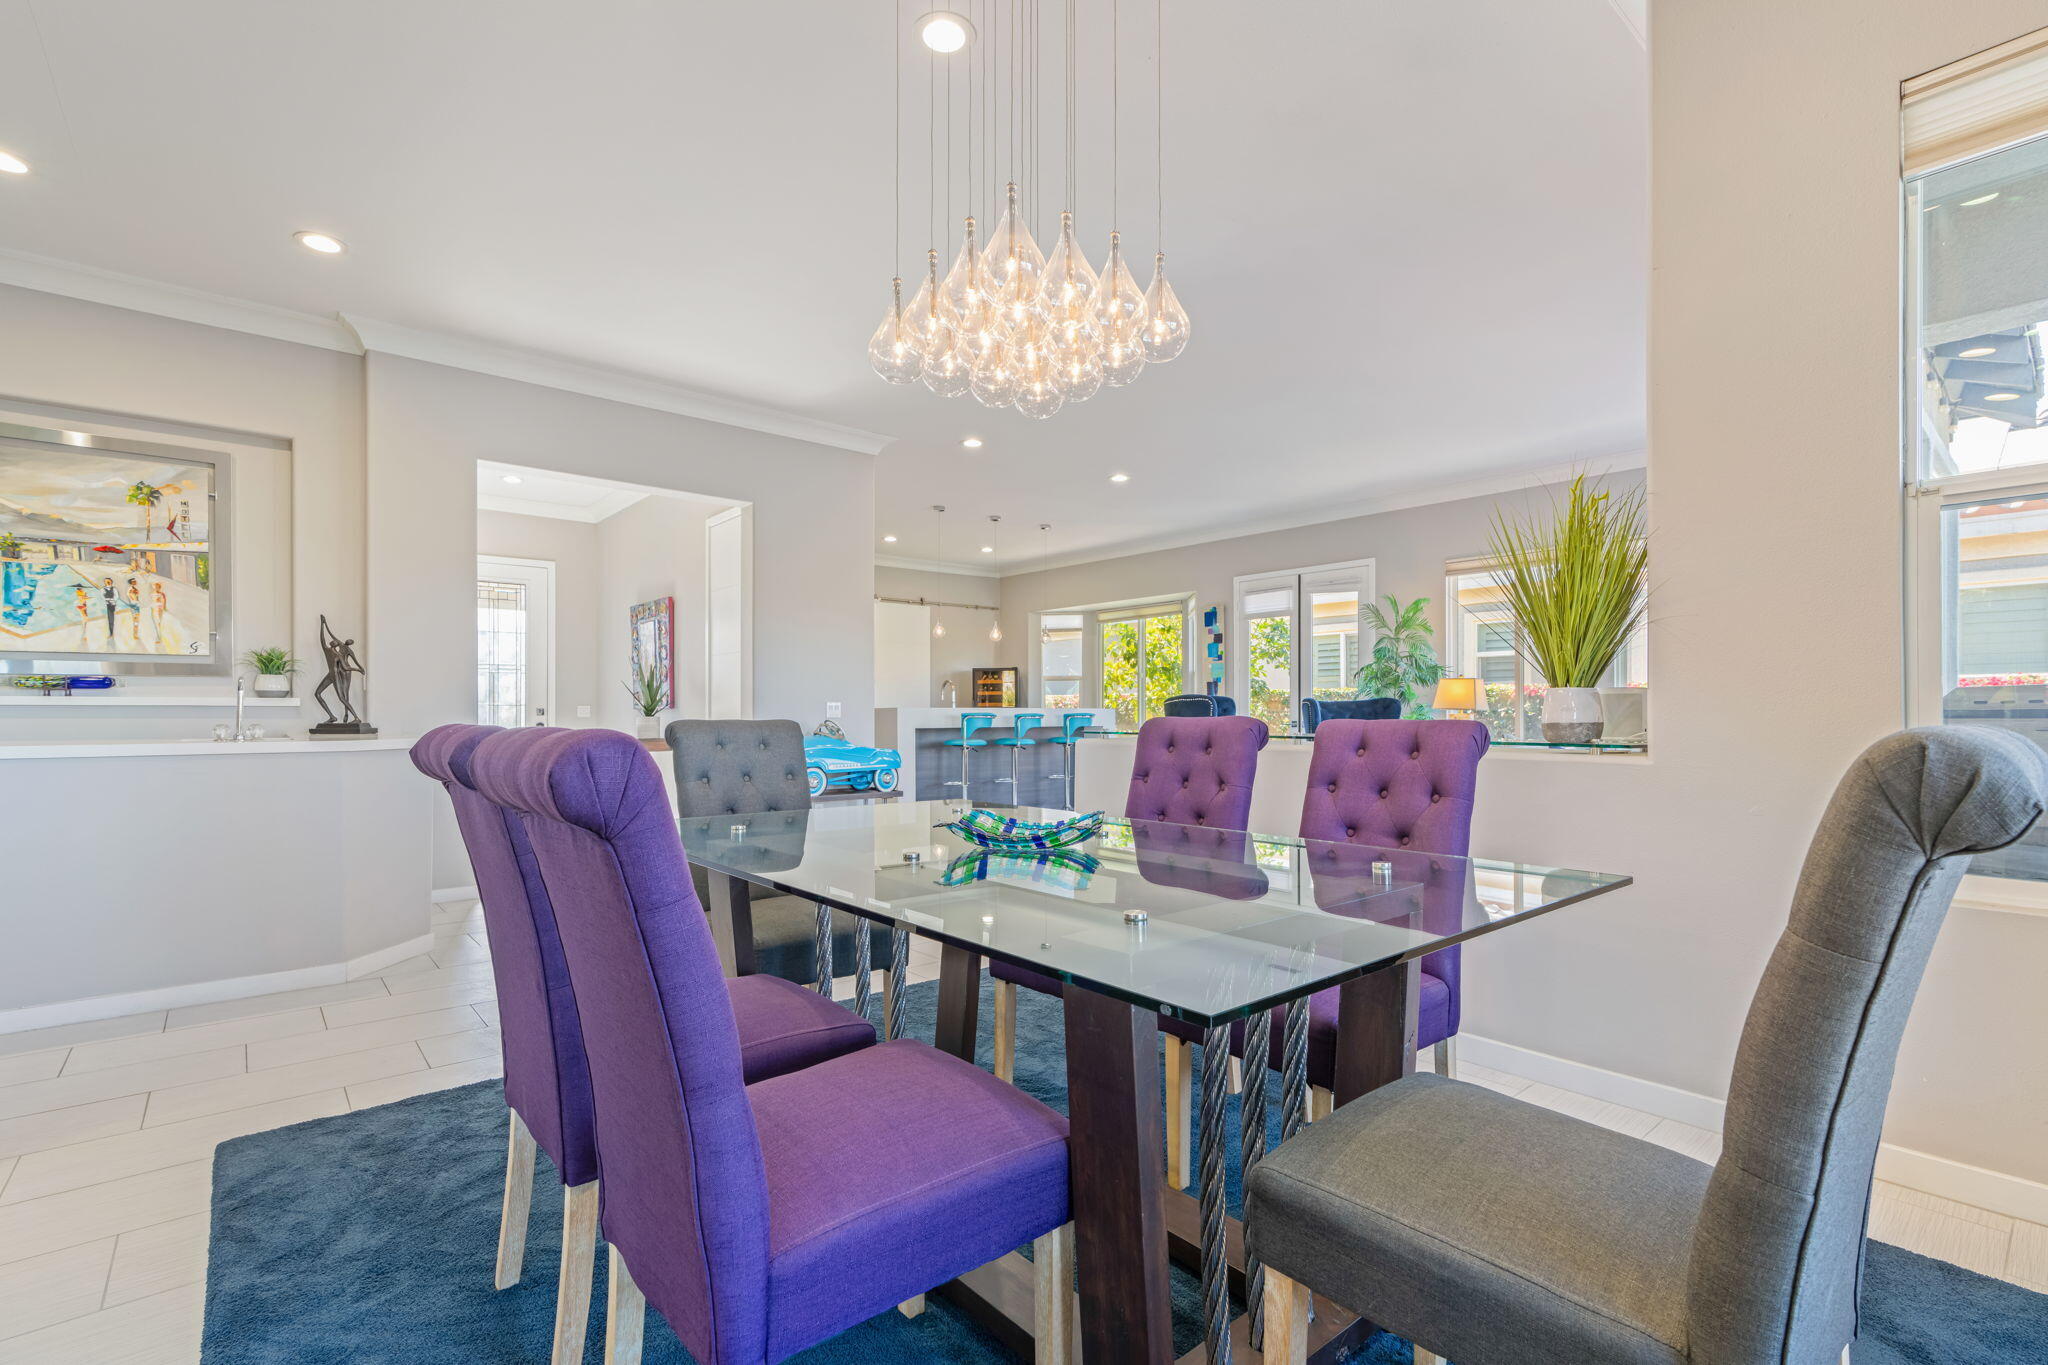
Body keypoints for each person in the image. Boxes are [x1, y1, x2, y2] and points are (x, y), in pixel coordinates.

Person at [124, 578, 143, 644]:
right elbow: (131, 597)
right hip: (134, 605)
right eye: (134, 581)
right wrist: (134, 602)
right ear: (131, 583)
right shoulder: (130, 589)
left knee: (137, 620)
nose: (135, 582)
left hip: (136, 604)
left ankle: (136, 633)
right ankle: (135, 634)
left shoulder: (135, 589)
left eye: (135, 581)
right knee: (135, 620)